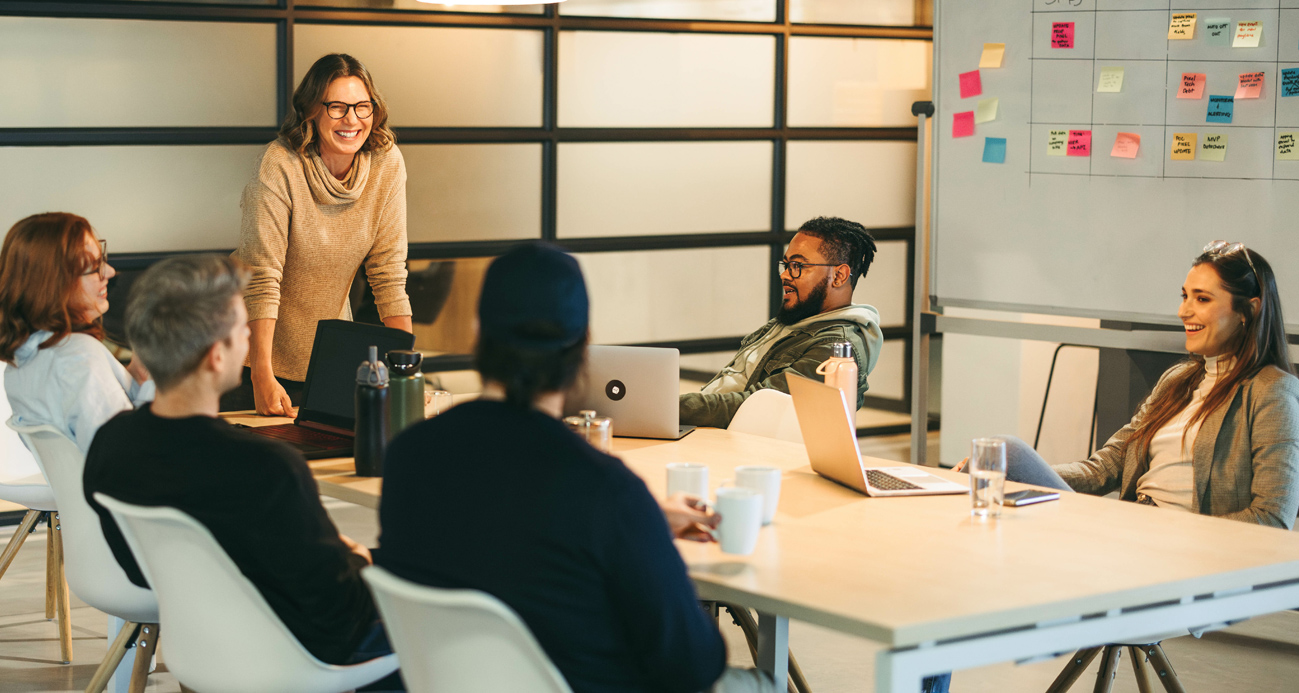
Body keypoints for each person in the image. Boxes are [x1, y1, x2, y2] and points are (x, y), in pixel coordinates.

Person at [378, 243, 776, 693]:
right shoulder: (606, 490)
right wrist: (635, 530)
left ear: (476, 334)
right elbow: (694, 664)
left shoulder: (410, 453)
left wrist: (639, 525)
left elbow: (501, 516)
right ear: (583, 347)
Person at [82, 255, 399, 682]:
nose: (249, 333)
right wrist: (358, 558)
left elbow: (140, 567)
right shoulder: (265, 467)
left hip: (200, 644)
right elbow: (340, 615)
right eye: (240, 326)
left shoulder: (111, 444)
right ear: (216, 356)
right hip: (299, 652)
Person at [979, 241, 1299, 529]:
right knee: (1006, 454)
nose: (1184, 311)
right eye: (1185, 296)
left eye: (1202, 299)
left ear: (1249, 310)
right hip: (1129, 524)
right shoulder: (1177, 380)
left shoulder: (1271, 391)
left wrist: (1176, 532)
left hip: (1177, 540)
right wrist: (1017, 475)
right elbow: (1104, 468)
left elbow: (1272, 515)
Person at [228, 52, 412, 416]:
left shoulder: (386, 163)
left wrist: (407, 373)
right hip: (249, 357)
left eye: (363, 107)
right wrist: (261, 376)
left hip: (325, 357)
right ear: (311, 110)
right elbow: (262, 277)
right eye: (337, 107)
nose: (352, 120)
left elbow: (389, 275)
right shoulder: (280, 163)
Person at [680, 216, 883, 429]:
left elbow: (755, 406)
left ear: (839, 276)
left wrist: (674, 407)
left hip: (736, 442)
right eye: (786, 265)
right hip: (706, 429)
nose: (785, 275)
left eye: (797, 265)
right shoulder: (792, 323)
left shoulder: (836, 348)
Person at [0, 212, 153, 454]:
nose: (110, 272)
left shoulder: (22, 365)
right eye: (93, 268)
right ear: (54, 284)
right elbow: (128, 457)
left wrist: (138, 376)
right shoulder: (78, 356)